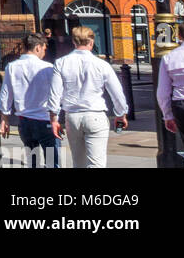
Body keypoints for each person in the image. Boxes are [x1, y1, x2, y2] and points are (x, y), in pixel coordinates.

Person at [48, 24, 128, 168]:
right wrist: (121, 114)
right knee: (96, 164)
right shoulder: (101, 65)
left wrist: (54, 119)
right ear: (91, 42)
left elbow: (55, 94)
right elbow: (117, 93)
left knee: (78, 163)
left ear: (74, 42)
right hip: (95, 115)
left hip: (72, 117)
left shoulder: (61, 63)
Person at [0, 33, 58, 167]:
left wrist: (4, 120)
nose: (44, 52)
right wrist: (56, 117)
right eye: (44, 48)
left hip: (25, 122)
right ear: (38, 47)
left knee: (32, 162)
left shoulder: (12, 67)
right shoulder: (48, 68)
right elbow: (56, 95)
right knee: (52, 163)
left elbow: (6, 95)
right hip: (45, 121)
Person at [156, 19, 184, 152]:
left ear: (179, 36)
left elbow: (163, 92)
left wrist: (167, 116)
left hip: (182, 107)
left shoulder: (169, 57)